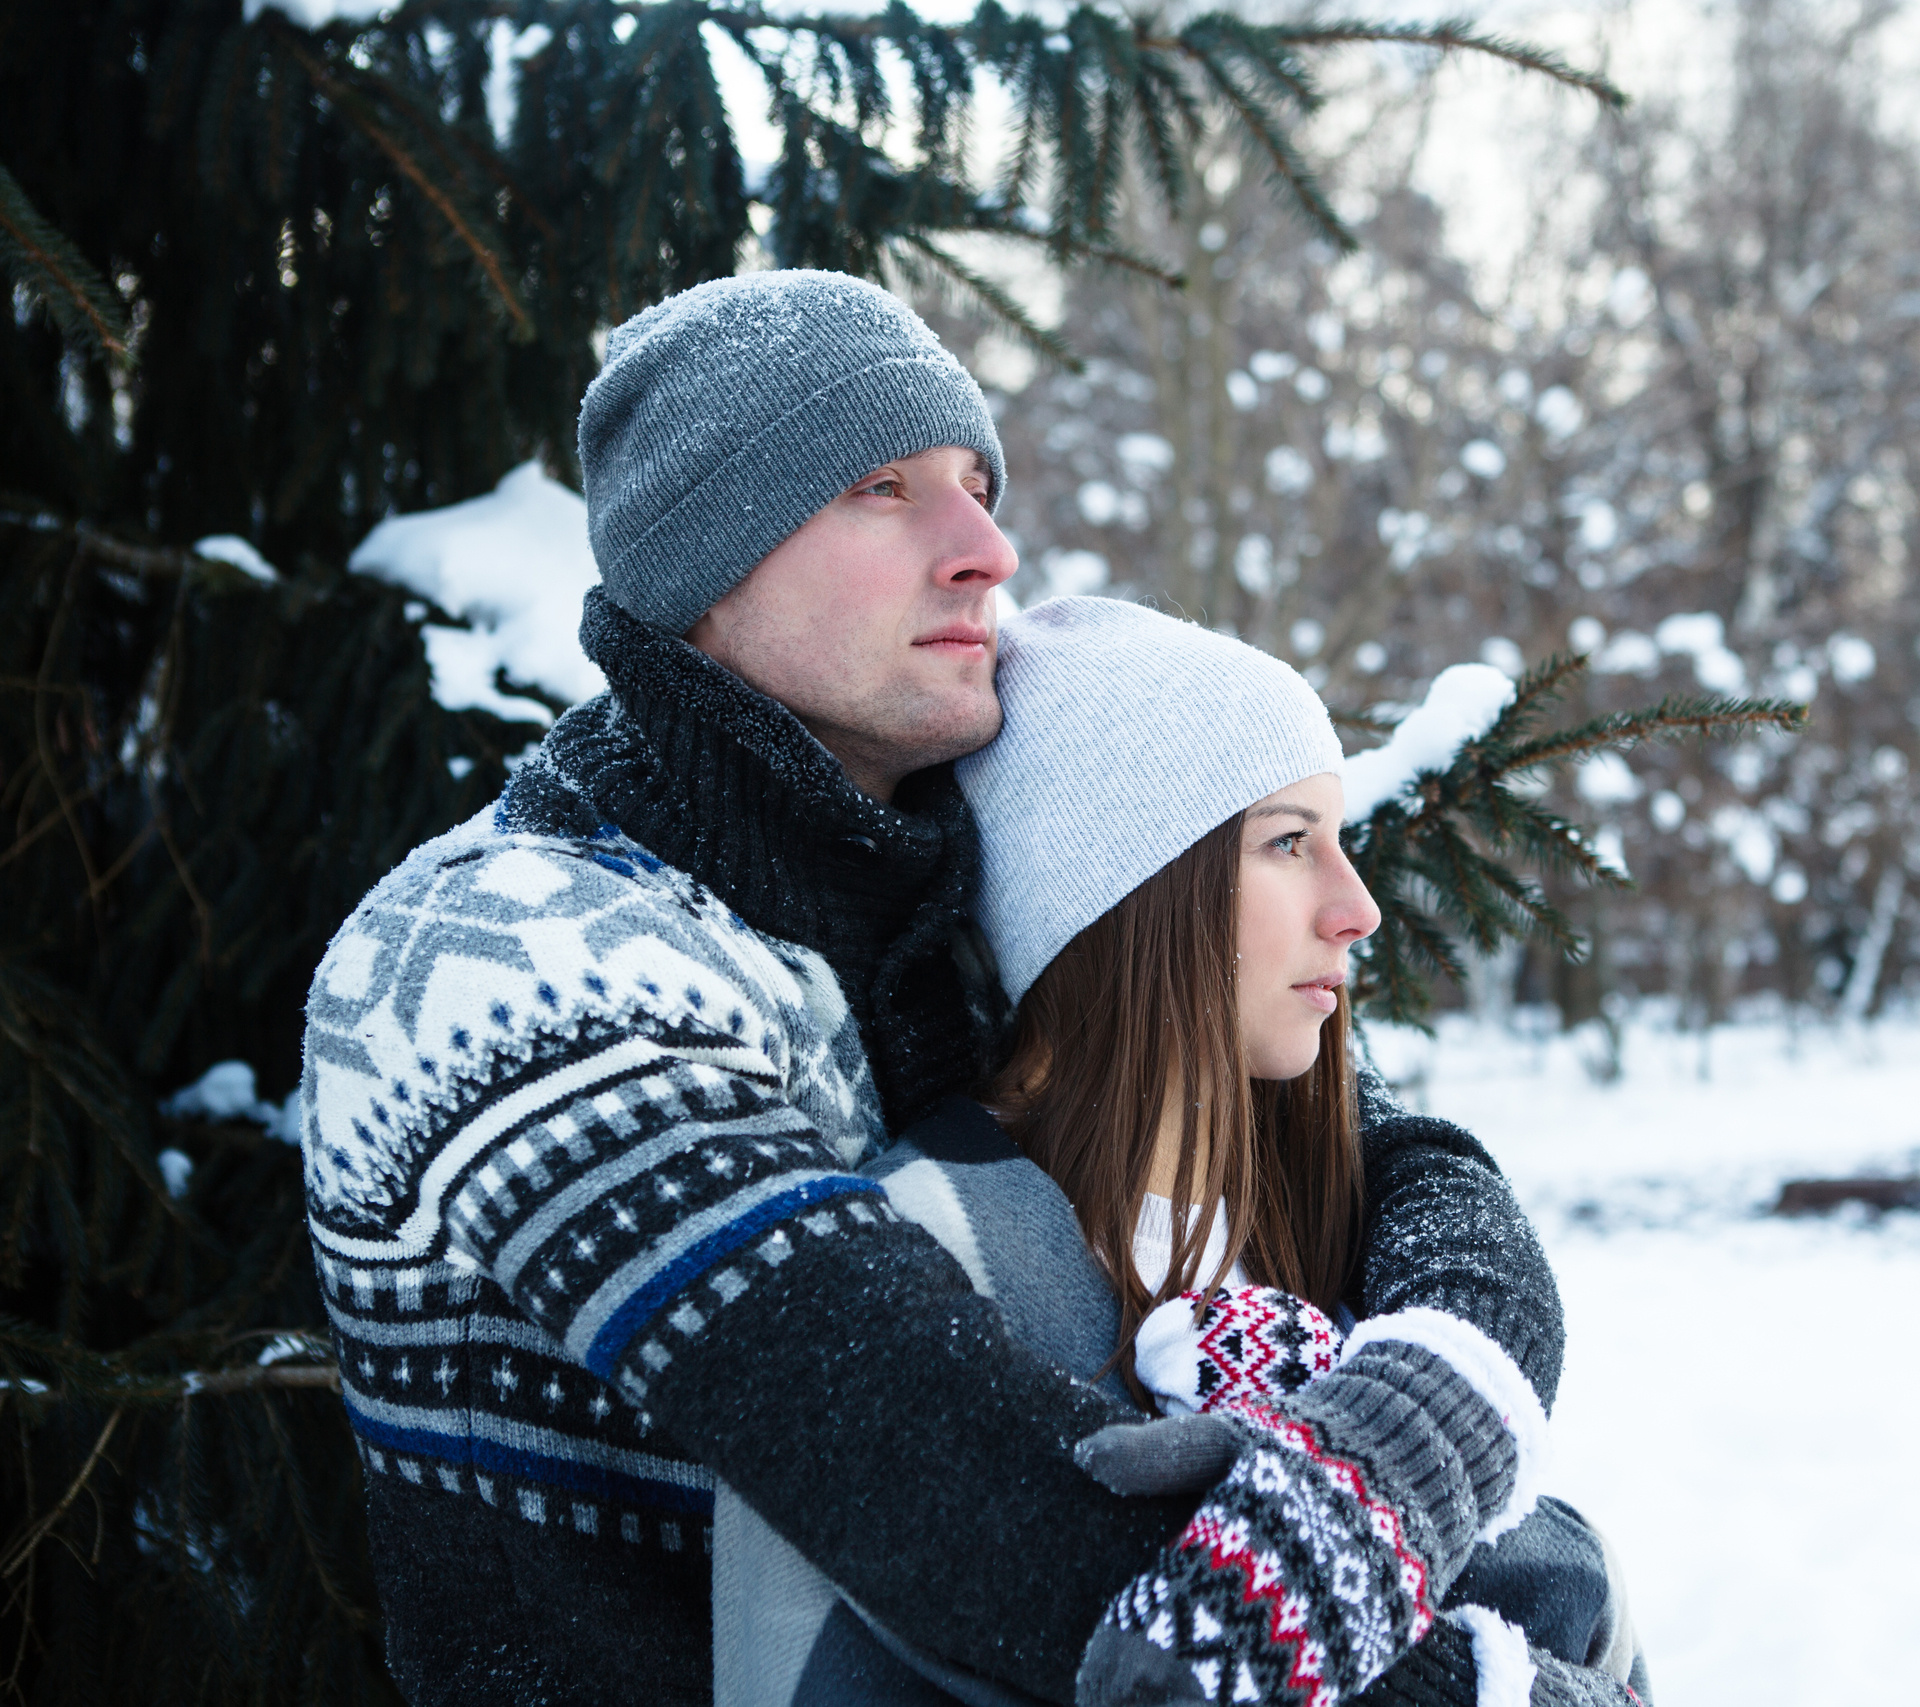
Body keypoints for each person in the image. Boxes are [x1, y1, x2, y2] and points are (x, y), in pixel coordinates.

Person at [298, 270, 1565, 1707]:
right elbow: (981, 1510)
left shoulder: (945, 892)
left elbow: (1391, 1159)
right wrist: (1510, 1687)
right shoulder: (500, 955)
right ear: (704, 562)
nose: (986, 549)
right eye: (883, 489)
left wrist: (1430, 1405)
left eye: (977, 484)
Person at [711, 598, 1649, 1707]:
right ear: (1125, 896)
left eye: (1339, 841)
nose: (1357, 910)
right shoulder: (922, 1251)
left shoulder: (1326, 1223)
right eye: (1288, 843)